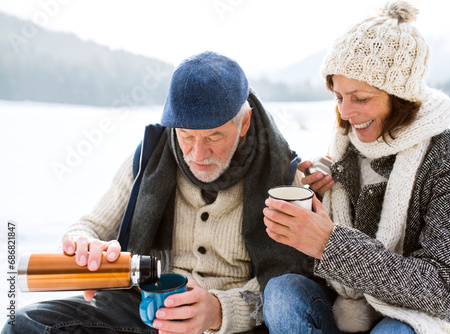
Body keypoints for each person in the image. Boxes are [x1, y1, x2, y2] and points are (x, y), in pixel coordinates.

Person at [5, 51, 313, 334]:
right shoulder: (150, 157)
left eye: (214, 136)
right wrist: (84, 245)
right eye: (186, 135)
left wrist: (219, 310)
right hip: (144, 309)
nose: (197, 153)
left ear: (243, 123)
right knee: (24, 325)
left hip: (231, 325)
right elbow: (91, 226)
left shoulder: (284, 176)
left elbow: (285, 285)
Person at [262, 1, 450, 334]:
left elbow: (443, 288)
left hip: (419, 318)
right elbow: (322, 269)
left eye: (361, 98)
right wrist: (314, 206)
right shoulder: (343, 149)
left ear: (401, 96)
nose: (346, 112)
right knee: (281, 294)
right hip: (348, 308)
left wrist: (330, 243)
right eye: (339, 96)